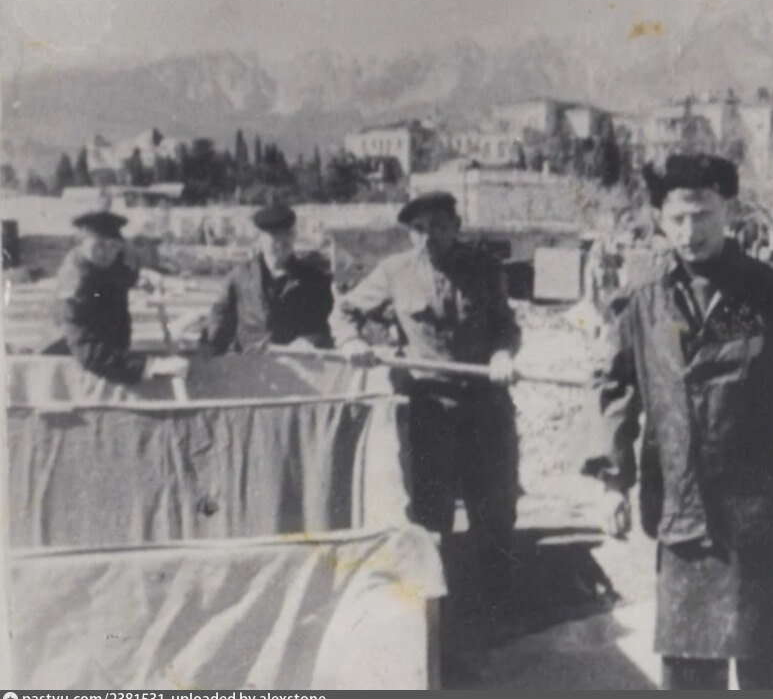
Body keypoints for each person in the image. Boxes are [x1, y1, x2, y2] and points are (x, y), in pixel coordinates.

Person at [583, 154, 773, 690]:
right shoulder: (645, 300)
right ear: (660, 219)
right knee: (689, 672)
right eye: (678, 218)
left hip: (758, 514)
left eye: (703, 215)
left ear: (727, 210)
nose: (690, 232)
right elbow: (616, 388)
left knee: (770, 668)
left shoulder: (771, 297)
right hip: (682, 511)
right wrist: (613, 482)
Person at [332, 191, 521, 586]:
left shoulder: (484, 268)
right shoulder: (394, 271)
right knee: (431, 515)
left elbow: (506, 325)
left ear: (456, 227)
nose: (427, 237)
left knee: (494, 509)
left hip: (485, 403)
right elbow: (344, 311)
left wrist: (503, 354)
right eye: (418, 229)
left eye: (437, 226)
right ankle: (437, 605)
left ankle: (497, 602)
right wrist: (351, 342)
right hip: (430, 410)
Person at [52, 210, 188, 384]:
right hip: (72, 356)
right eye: (99, 246)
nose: (106, 253)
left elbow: (117, 272)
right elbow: (88, 351)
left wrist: (141, 278)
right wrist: (148, 367)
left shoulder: (102, 260)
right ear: (80, 245)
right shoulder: (75, 284)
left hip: (111, 347)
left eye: (113, 246)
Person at [199, 204, 335, 354]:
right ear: (260, 238)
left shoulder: (314, 279)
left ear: (294, 235)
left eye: (287, 234)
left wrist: (308, 342)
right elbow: (219, 321)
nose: (281, 241)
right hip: (249, 361)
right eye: (274, 235)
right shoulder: (239, 278)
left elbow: (323, 324)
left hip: (299, 361)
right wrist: (206, 351)